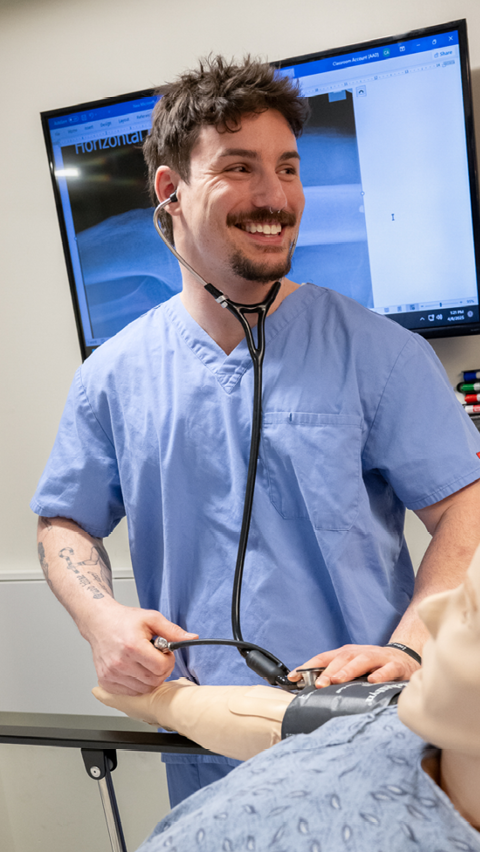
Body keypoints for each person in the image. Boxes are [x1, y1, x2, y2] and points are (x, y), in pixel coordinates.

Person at [32, 55, 480, 805]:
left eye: (289, 168)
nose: (276, 196)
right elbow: (63, 522)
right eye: (239, 167)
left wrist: (411, 645)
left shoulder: (381, 353)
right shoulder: (112, 376)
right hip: (204, 751)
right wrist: (100, 618)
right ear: (170, 192)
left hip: (368, 735)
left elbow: (466, 506)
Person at [96, 544, 480, 852]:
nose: (434, 612)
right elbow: (261, 717)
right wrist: (157, 698)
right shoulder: (396, 718)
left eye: (473, 612)